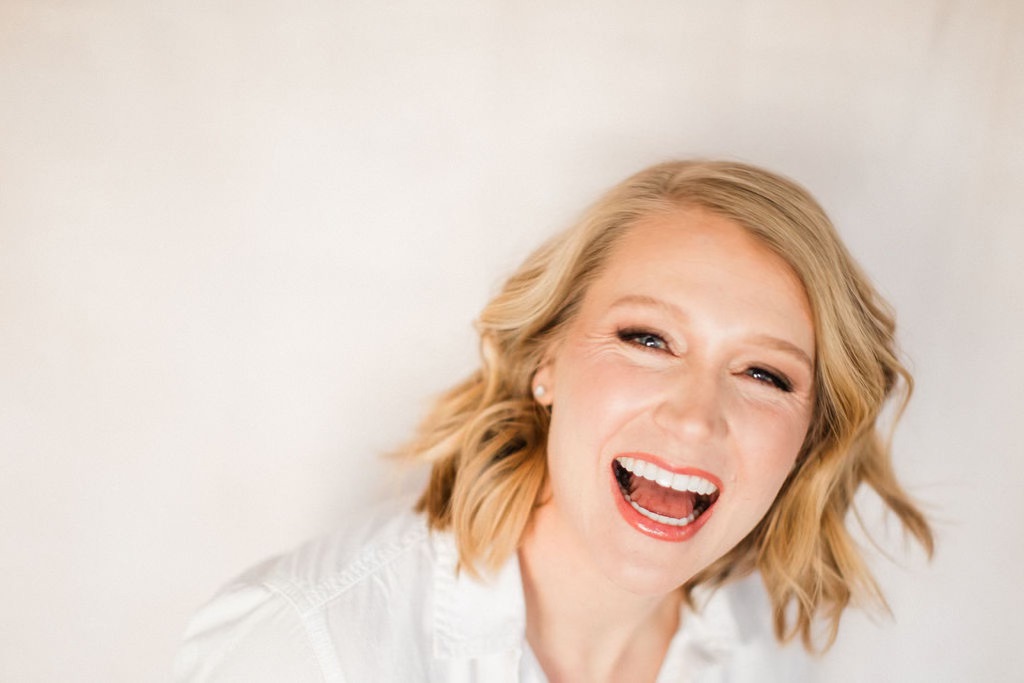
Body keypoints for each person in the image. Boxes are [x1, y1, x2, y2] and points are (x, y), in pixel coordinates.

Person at [174, 160, 933, 682]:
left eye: (764, 374)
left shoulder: (757, 645)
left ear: (808, 439)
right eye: (648, 339)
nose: (697, 418)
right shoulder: (310, 648)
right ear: (548, 358)